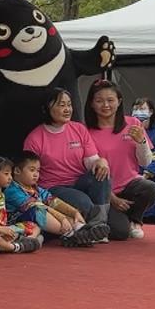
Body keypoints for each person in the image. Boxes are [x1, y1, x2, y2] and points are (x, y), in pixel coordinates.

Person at [22, 87, 112, 230]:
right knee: (85, 203)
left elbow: (92, 162)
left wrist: (101, 162)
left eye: (69, 105)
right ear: (47, 108)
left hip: (79, 181)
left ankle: (98, 224)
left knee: (103, 173)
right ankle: (95, 226)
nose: (67, 109)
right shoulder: (35, 138)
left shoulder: (79, 129)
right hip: (54, 187)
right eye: (61, 105)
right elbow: (28, 174)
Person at [84, 80, 155, 239]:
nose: (106, 105)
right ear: (91, 103)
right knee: (119, 233)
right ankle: (117, 219)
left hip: (130, 185)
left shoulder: (133, 123)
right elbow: (87, 171)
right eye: (99, 101)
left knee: (151, 189)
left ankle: (135, 220)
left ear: (119, 102)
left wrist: (141, 142)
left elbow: (146, 162)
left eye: (110, 100)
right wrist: (113, 199)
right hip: (103, 192)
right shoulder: (85, 131)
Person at [7, 151, 105, 246]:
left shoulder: (36, 188)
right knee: (36, 210)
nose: (36, 174)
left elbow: (53, 201)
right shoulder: (11, 190)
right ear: (17, 171)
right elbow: (37, 206)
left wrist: (74, 212)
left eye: (38, 171)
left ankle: (82, 230)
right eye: (32, 170)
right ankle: (73, 234)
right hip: (20, 226)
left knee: (65, 211)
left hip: (43, 227)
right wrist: (62, 218)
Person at [0, 156, 45, 249]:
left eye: (10, 174)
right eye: (6, 174)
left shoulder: (2, 194)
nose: (10, 178)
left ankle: (28, 240)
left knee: (35, 225)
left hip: (6, 228)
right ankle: (20, 244)